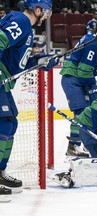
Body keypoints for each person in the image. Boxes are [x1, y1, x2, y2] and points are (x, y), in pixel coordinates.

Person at [0, 0, 58, 202]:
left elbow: (17, 60)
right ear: (38, 9)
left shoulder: (26, 28)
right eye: (47, 11)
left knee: (11, 123)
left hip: (5, 82)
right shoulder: (21, 20)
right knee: (4, 124)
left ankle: (0, 171)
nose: (47, 16)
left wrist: (39, 61)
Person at [60, 15, 97, 158]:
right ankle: (74, 147)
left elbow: (92, 60)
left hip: (78, 79)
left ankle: (81, 145)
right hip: (74, 79)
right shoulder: (95, 42)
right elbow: (83, 71)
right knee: (81, 113)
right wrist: (92, 88)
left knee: (88, 113)